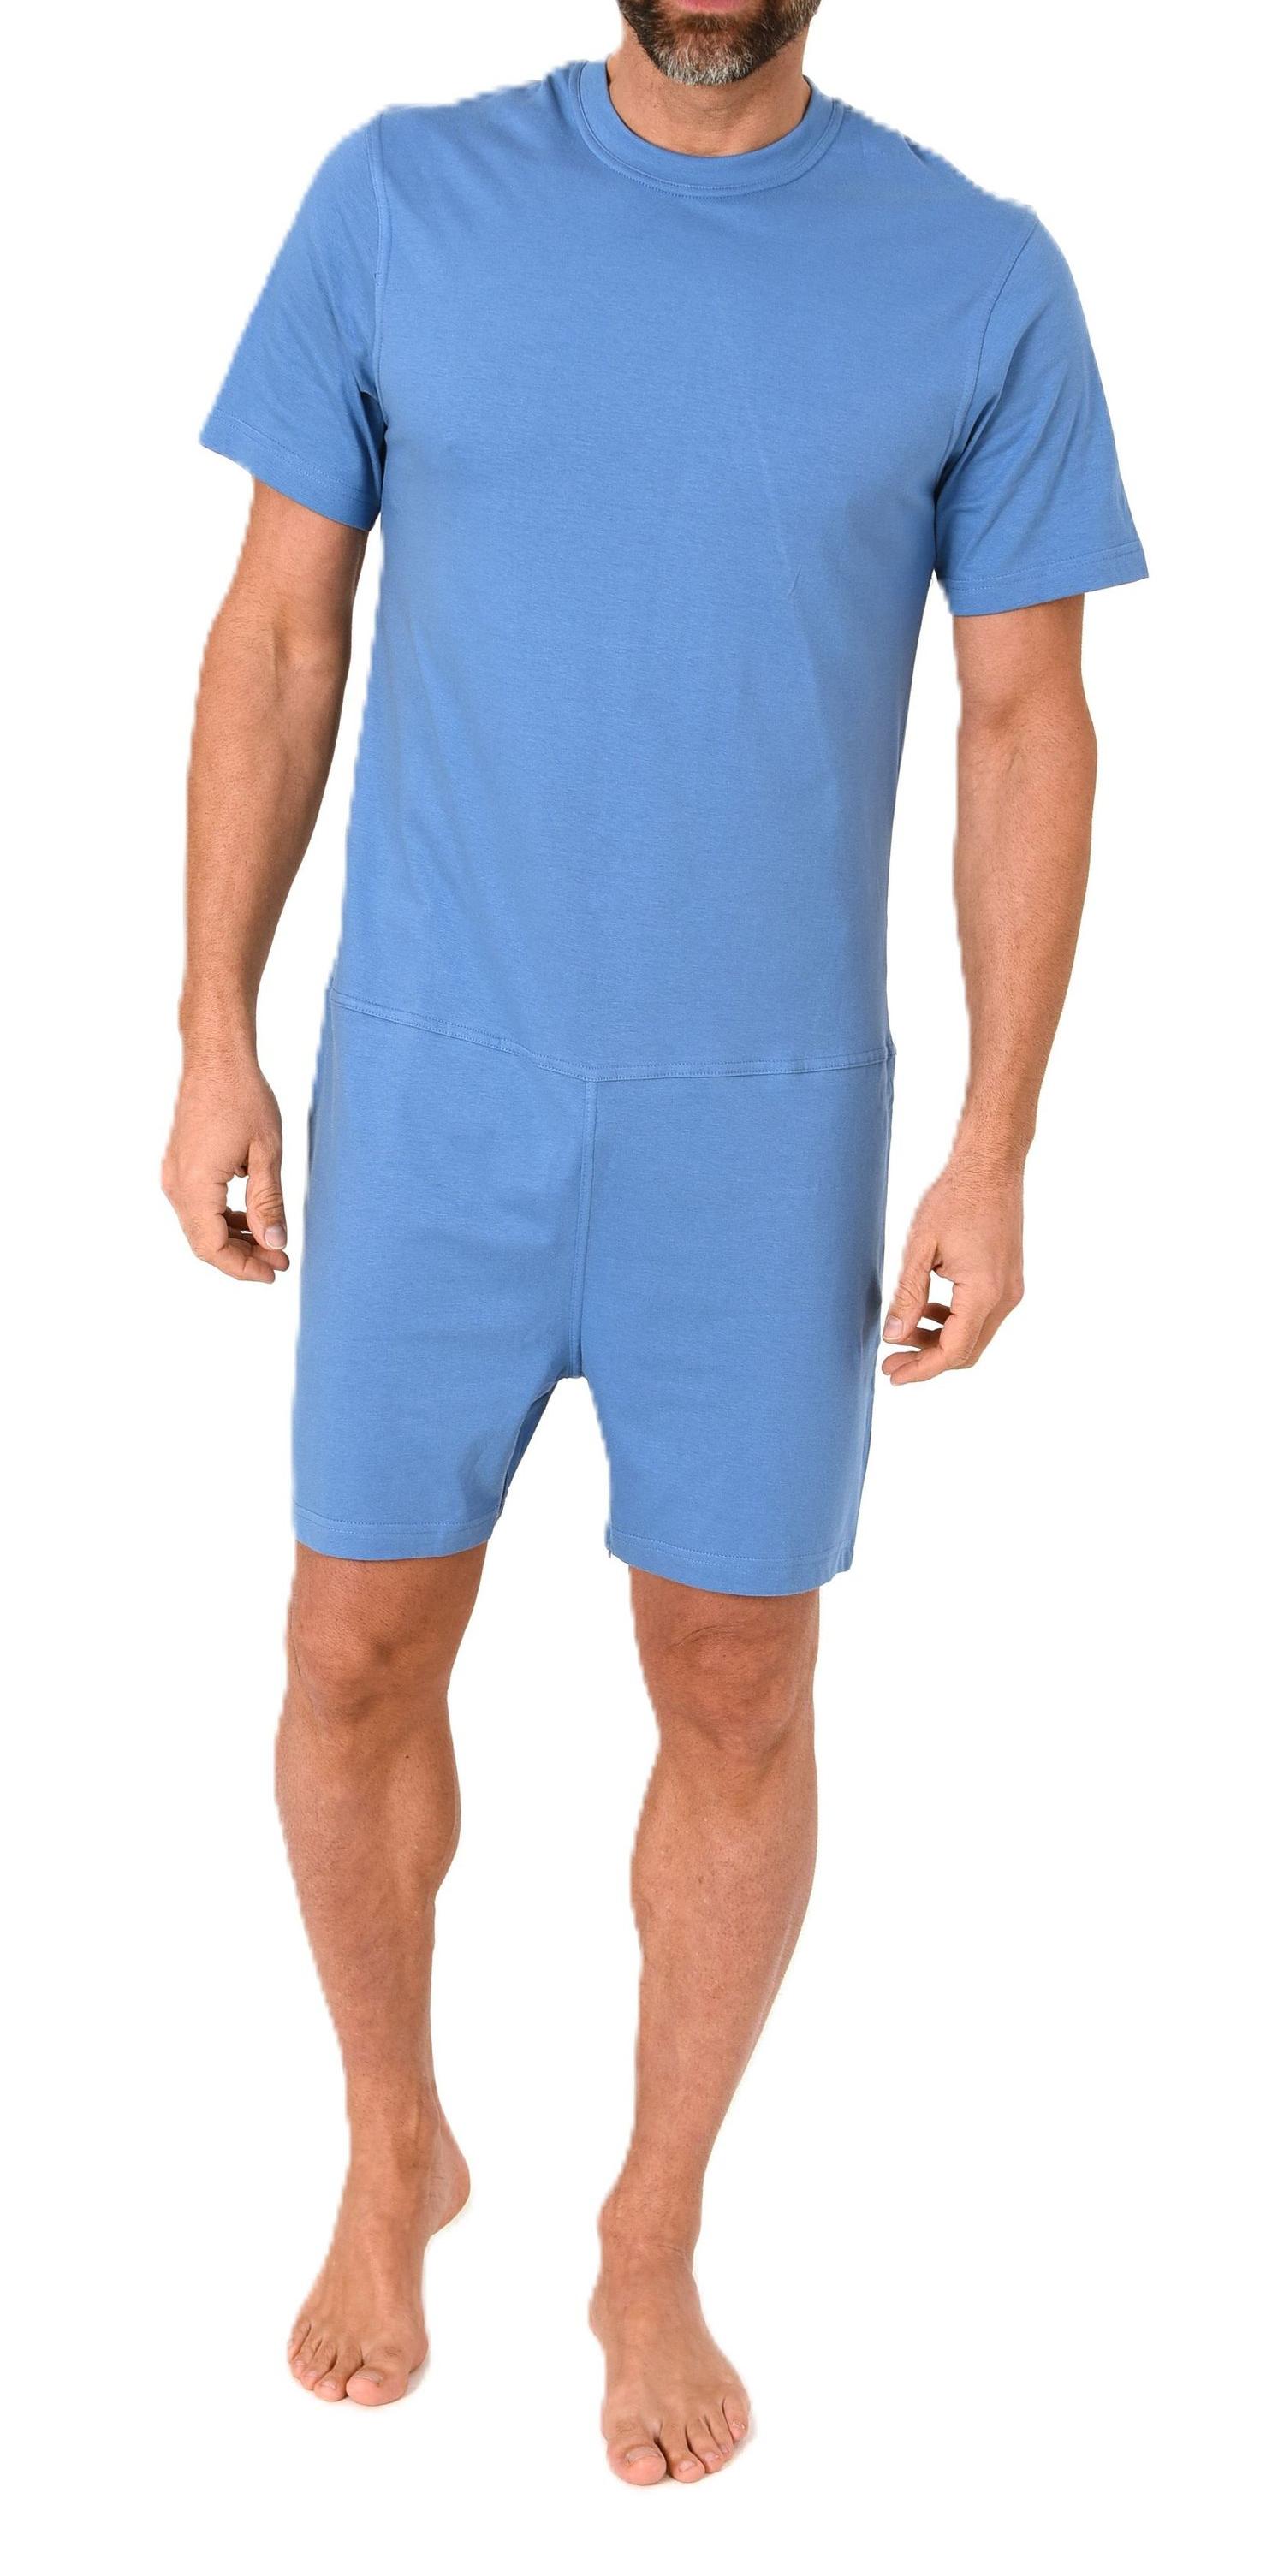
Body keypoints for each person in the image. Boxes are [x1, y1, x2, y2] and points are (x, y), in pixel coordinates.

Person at [163, 0, 1144, 2482]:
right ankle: (393, 2139)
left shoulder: (976, 272)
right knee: (348, 1650)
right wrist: (209, 1028)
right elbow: (278, 632)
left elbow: (1025, 720)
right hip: (437, 1091)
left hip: (765, 1127)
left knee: (737, 1686)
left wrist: (998, 1140)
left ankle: (651, 2232)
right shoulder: (402, 199)